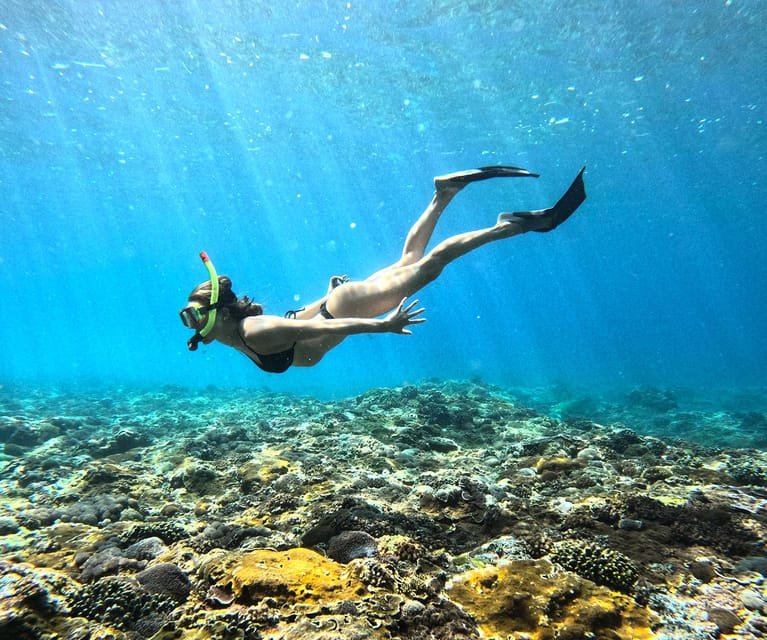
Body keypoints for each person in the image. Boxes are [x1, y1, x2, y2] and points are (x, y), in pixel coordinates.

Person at [179, 165, 586, 373]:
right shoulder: (236, 333)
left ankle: (510, 226)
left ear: (221, 311)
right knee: (411, 262)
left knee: (428, 267)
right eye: (188, 317)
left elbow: (323, 329)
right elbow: (302, 318)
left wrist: (383, 326)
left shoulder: (253, 331)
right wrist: (329, 292)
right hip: (340, 301)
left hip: (344, 310)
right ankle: (443, 193)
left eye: (194, 315)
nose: (191, 324)